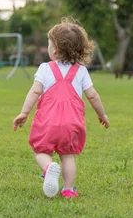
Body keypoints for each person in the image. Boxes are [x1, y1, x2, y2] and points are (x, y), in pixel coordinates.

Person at [12, 18, 109, 198]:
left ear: (55, 49)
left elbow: (34, 92)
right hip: (71, 123)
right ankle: (68, 190)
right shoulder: (81, 71)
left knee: (40, 151)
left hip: (47, 121)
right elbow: (93, 95)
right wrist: (102, 114)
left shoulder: (44, 68)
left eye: (49, 44)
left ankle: (49, 168)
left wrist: (24, 112)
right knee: (68, 155)